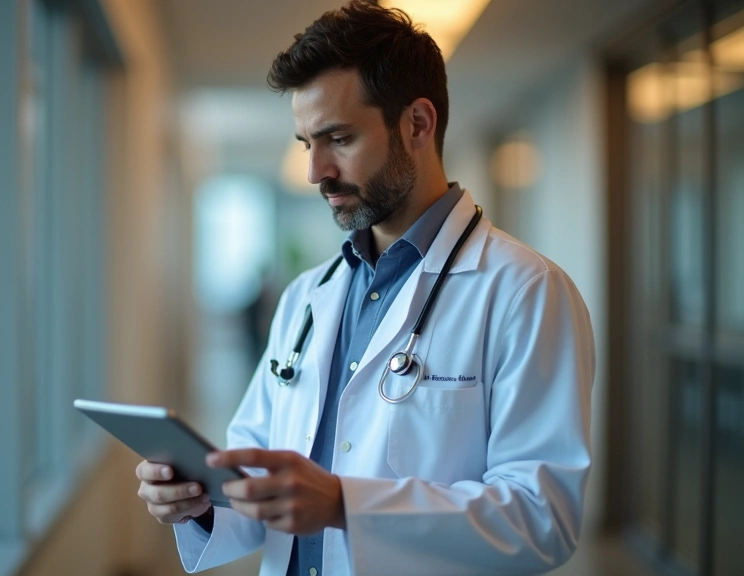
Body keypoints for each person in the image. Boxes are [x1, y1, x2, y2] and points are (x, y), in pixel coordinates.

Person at [135, 1, 595, 574]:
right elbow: (257, 471)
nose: (315, 171)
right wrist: (201, 501)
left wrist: (348, 505)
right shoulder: (308, 296)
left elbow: (541, 519)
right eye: (307, 143)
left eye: (338, 138)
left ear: (418, 124)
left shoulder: (525, 291)